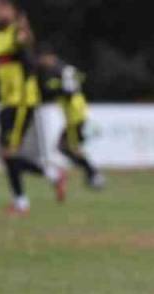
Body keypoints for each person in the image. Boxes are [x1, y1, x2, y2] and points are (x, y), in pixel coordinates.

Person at [0, 0, 66, 216]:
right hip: (7, 100)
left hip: (22, 100)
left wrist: (24, 27)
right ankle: (43, 183)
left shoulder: (17, 31)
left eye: (2, 7)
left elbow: (26, 43)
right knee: (7, 155)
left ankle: (27, 197)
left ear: (13, 11)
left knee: (9, 153)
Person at [35, 44, 104, 191]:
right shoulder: (60, 70)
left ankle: (93, 174)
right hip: (74, 115)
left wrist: (53, 91)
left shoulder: (61, 70)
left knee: (67, 147)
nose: (41, 63)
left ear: (49, 57)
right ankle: (92, 174)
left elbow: (70, 91)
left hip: (75, 115)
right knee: (67, 147)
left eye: (42, 59)